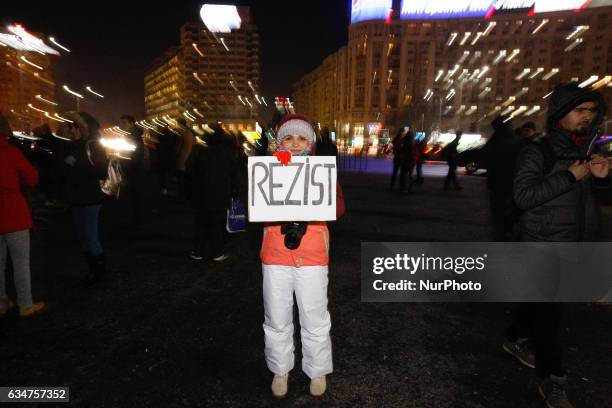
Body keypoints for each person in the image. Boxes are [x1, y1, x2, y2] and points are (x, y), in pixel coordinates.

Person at [509, 83, 609, 408]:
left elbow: (598, 200)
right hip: (541, 247)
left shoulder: (587, 149)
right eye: (580, 111)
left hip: (573, 245)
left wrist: (603, 178)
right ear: (561, 114)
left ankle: (513, 338)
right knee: (550, 317)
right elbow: (522, 196)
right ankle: (553, 380)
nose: (587, 118)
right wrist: (569, 176)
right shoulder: (538, 151)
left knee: (539, 305)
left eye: (592, 112)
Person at [260, 114, 336, 398]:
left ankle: (317, 370)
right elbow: (254, 205)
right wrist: (267, 167)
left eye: (302, 138)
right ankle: (280, 369)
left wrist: (323, 177)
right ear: (279, 142)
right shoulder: (267, 169)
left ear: (311, 143)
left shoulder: (321, 170)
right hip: (276, 254)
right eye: (288, 138)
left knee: (314, 316)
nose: (294, 144)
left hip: (313, 254)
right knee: (277, 317)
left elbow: (337, 207)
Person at [0, 112, 45, 317]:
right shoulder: (10, 151)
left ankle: (1, 303)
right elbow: (32, 177)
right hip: (13, 212)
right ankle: (25, 304)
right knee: (20, 263)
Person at [58, 112, 108, 284]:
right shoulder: (72, 146)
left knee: (90, 235)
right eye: (70, 126)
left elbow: (102, 171)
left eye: (74, 126)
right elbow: (63, 173)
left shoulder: (92, 145)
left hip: (90, 197)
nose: (70, 129)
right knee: (81, 236)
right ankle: (93, 270)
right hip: (76, 198)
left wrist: (76, 165)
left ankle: (100, 273)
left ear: (82, 127)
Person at [186, 125, 237, 262]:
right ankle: (217, 252)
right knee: (217, 224)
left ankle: (198, 251)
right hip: (221, 193)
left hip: (201, 193)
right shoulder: (229, 153)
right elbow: (235, 174)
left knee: (200, 223)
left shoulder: (200, 151)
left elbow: (189, 167)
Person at [481, 115, 523, 241]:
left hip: (499, 183)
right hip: (511, 183)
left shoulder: (497, 140)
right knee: (508, 212)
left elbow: (484, 155)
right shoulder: (517, 140)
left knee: (500, 213)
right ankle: (507, 233)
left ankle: (503, 235)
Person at [119, 114, 145, 224]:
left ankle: (137, 219)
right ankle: (136, 217)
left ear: (132, 123)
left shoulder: (134, 136)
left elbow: (135, 155)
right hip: (132, 169)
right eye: (121, 122)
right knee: (134, 194)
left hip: (134, 170)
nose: (121, 125)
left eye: (124, 122)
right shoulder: (130, 135)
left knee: (135, 193)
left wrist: (125, 165)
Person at [175, 118, 195, 200]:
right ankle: (188, 195)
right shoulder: (190, 133)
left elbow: (178, 147)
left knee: (181, 179)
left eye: (177, 123)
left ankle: (182, 196)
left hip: (182, 158)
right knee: (187, 179)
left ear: (180, 124)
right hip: (189, 158)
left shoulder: (182, 133)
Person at [399, 129, 416, 193]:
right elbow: (413, 153)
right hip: (410, 161)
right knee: (410, 175)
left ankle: (403, 188)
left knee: (404, 175)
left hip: (405, 161)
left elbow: (402, 151)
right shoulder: (412, 143)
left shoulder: (405, 143)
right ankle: (409, 188)